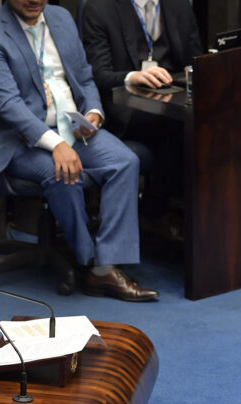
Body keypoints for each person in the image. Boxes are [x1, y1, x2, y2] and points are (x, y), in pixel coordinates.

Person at [0, 0, 159, 301]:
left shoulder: (60, 18)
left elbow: (84, 76)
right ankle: (88, 262)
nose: (34, 0)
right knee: (63, 173)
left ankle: (107, 265)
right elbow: (8, 106)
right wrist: (55, 144)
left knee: (125, 162)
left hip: (72, 125)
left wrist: (94, 111)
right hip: (17, 139)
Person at [80, 0, 203, 240]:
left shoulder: (179, 4)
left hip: (172, 98)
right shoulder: (99, 8)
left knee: (202, 122)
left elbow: (196, 61)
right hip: (122, 105)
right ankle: (155, 213)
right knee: (180, 127)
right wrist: (132, 76)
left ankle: (192, 216)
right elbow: (97, 74)